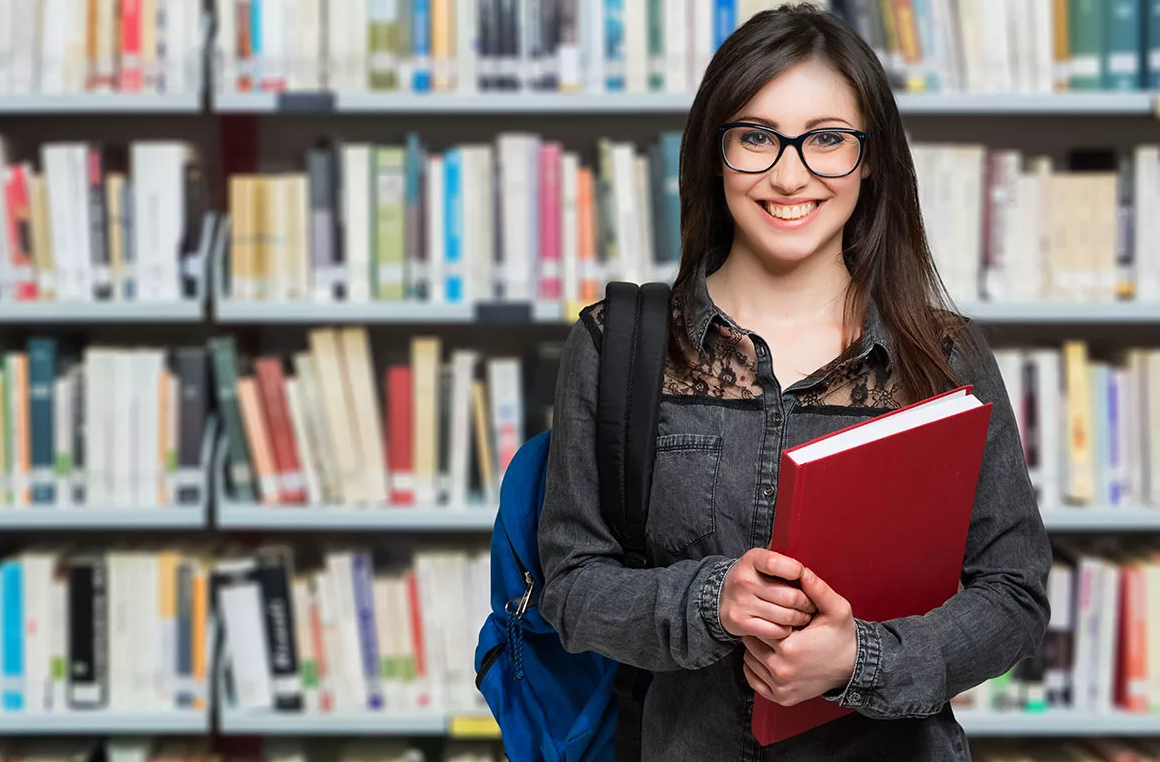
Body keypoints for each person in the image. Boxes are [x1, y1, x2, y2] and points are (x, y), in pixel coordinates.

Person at [536, 3, 1054, 761]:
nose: (790, 173)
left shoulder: (943, 357)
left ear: (871, 157)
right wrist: (713, 600)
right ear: (715, 153)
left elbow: (1012, 595)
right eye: (756, 137)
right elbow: (573, 589)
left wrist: (860, 661)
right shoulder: (619, 344)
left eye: (827, 140)